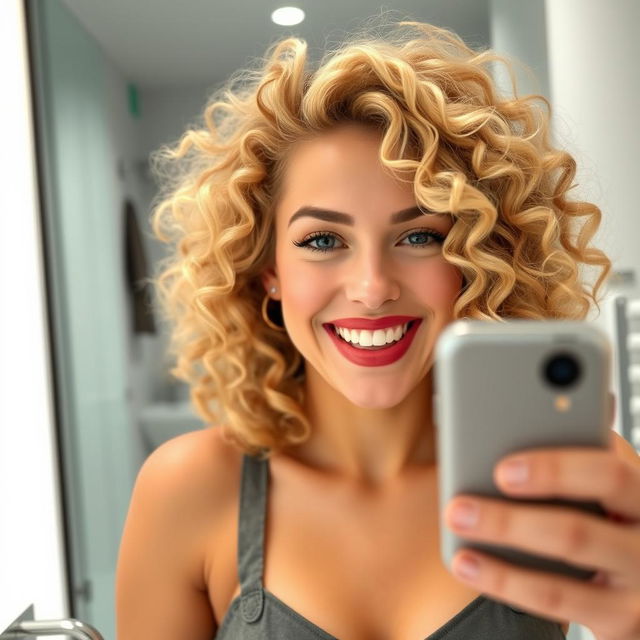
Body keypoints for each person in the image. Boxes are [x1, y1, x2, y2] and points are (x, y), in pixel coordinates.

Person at [115, 19, 640, 640]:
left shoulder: (560, 480)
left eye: (419, 236)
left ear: (475, 259)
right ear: (268, 273)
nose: (371, 286)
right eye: (322, 240)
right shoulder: (188, 491)